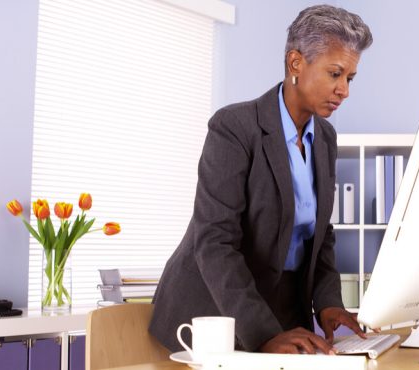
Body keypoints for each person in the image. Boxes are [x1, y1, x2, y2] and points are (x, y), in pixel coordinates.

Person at [148, 4, 373, 355]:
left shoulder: (324, 138)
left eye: (350, 78)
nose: (344, 90)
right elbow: (214, 241)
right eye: (335, 74)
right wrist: (264, 332)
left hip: (281, 308)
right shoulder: (234, 128)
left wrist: (327, 303)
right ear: (296, 63)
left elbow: (320, 234)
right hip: (214, 311)